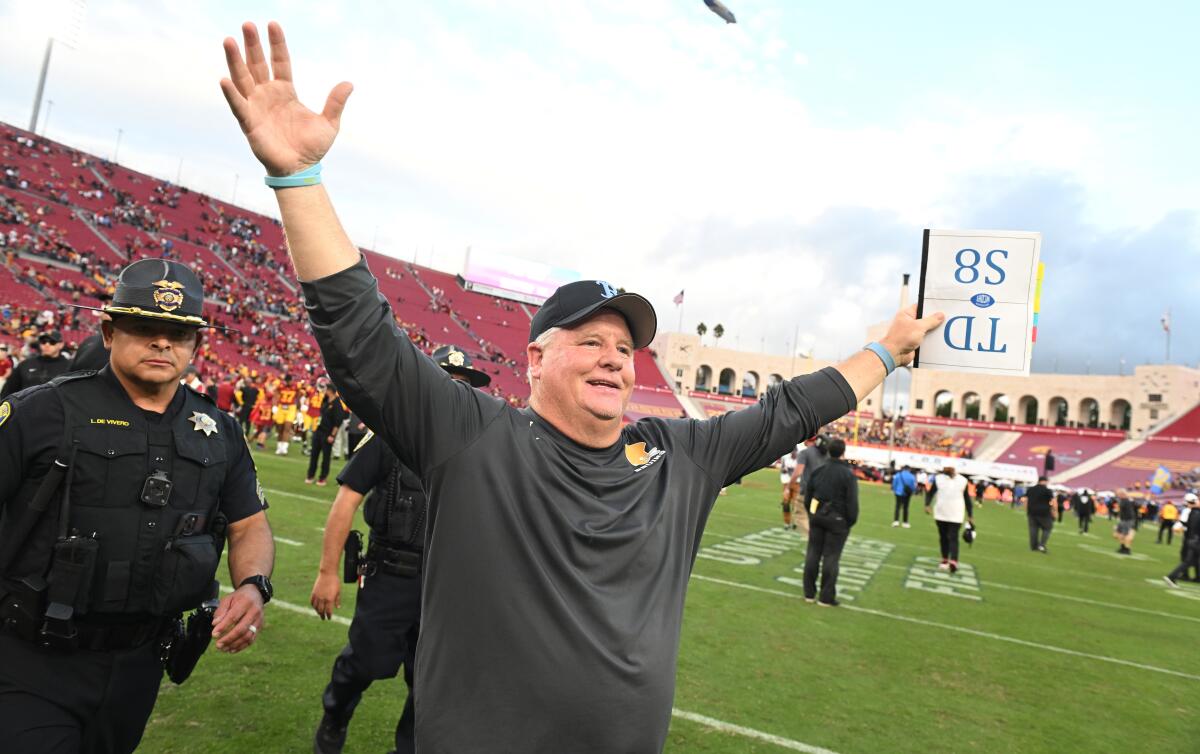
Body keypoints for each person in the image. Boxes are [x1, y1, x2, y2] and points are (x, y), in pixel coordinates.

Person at [219, 21, 942, 751]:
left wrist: (887, 349)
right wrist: (298, 180)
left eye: (625, 347)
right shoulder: (472, 437)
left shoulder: (679, 458)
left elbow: (790, 409)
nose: (613, 359)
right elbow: (363, 344)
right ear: (535, 360)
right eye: (590, 341)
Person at [0, 258, 275, 754]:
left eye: (178, 332)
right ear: (109, 331)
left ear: (196, 344)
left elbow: (249, 525)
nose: (162, 342)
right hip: (30, 658)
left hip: (140, 665)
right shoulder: (39, 411)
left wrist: (253, 587)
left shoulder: (220, 431)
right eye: (144, 327)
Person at [310, 345, 491, 754]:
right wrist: (327, 571)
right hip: (389, 575)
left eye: (463, 385)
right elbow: (346, 502)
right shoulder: (388, 435)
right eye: (447, 382)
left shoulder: (477, 448)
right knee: (364, 663)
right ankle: (335, 715)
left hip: (446, 587)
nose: (456, 392)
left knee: (430, 679)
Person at [801, 438, 858, 606]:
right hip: (837, 520)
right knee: (831, 558)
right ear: (843, 452)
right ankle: (826, 597)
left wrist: (812, 515)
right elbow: (852, 503)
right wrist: (849, 521)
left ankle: (809, 593)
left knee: (813, 553)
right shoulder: (848, 475)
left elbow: (808, 496)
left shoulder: (819, 471)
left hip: (818, 516)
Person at [925, 464, 972, 573]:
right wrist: (927, 504)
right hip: (941, 513)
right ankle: (945, 559)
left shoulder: (963, 481)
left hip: (956, 514)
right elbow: (930, 493)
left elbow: (967, 498)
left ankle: (954, 560)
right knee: (943, 537)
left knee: (953, 537)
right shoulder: (938, 479)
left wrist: (970, 514)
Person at [0, 329, 71, 399]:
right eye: (43, 341)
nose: (47, 344)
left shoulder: (69, 367)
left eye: (52, 342)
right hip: (26, 408)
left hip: (55, 409)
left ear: (61, 345)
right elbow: (8, 391)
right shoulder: (25, 364)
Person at [305, 382, 347, 486]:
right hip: (319, 431)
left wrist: (332, 435)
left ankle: (322, 477)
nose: (324, 391)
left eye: (325, 389)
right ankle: (310, 475)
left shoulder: (337, 404)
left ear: (330, 391)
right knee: (314, 454)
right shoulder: (325, 400)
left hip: (328, 433)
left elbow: (338, 421)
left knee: (326, 457)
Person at [1165, 493, 1200, 586]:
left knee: (1191, 560)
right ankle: (1172, 577)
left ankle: (1196, 577)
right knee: (1189, 561)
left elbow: (1188, 525)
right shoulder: (1196, 513)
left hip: (1192, 540)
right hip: (1196, 541)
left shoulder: (1193, 512)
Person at [1024, 475, 1056, 553]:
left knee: (1033, 529)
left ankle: (1033, 547)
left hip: (1032, 512)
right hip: (1044, 512)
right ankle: (1042, 545)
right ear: (1044, 481)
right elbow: (1053, 502)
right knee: (1047, 528)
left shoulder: (1031, 489)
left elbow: (1025, 500)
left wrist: (1027, 510)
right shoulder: (1047, 490)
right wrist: (1054, 512)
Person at [778, 448, 799, 530]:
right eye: (793, 452)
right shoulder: (785, 458)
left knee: (796, 504)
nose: (794, 454)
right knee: (786, 504)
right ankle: (787, 523)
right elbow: (782, 470)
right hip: (786, 482)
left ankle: (796, 522)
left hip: (797, 483)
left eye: (795, 452)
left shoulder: (800, 457)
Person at [1113, 489, 1138, 555]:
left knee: (1125, 535)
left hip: (1127, 520)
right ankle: (1123, 547)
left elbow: (1130, 511)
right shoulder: (1124, 501)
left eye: (1118, 494)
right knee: (1117, 534)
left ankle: (1126, 549)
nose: (1117, 495)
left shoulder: (1126, 501)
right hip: (1124, 520)